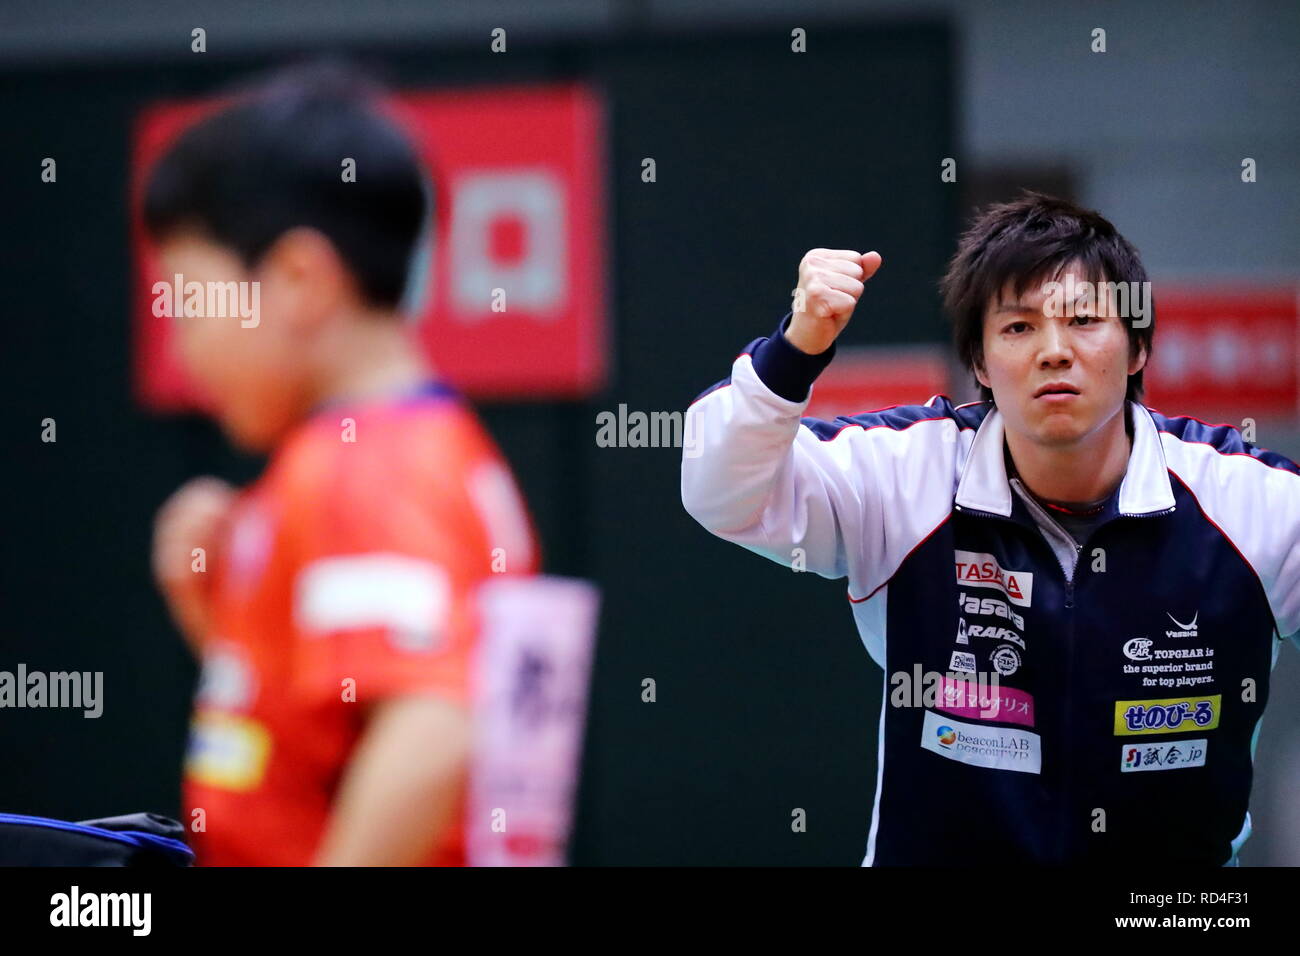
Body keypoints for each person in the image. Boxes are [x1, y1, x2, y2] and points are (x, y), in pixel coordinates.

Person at [681, 193, 1300, 865]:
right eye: (1018, 328)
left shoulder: (1249, 503)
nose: (1054, 352)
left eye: (1084, 320)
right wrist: (795, 348)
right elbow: (723, 492)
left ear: (1136, 350)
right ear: (979, 362)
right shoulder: (905, 474)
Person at [147, 63, 538, 865]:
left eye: (190, 305)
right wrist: (229, 634)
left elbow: (434, 726)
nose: (183, 351)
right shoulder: (384, 449)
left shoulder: (367, 465)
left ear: (298, 280)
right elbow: (342, 730)